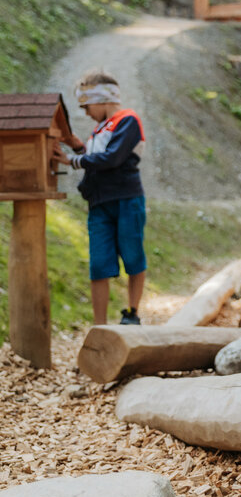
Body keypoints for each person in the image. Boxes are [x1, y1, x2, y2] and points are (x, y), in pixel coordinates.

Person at [53, 70, 147, 327]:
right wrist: (78, 147)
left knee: (133, 255)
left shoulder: (128, 120)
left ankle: (133, 313)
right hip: (99, 203)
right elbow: (96, 156)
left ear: (103, 98)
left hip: (126, 198)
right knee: (99, 264)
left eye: (87, 106)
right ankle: (100, 325)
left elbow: (112, 158)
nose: (85, 112)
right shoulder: (97, 131)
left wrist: (73, 160)